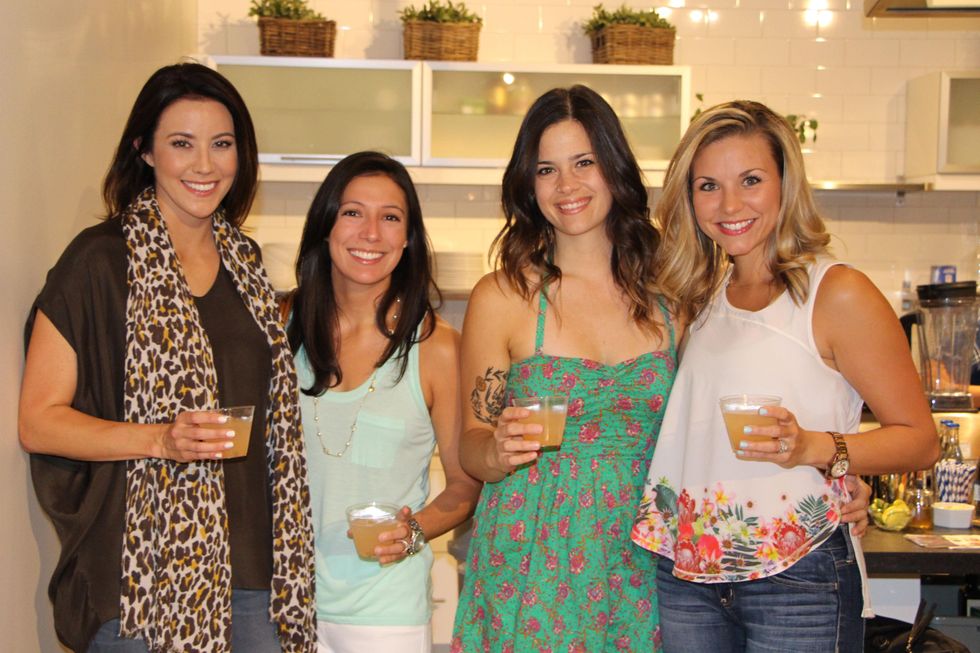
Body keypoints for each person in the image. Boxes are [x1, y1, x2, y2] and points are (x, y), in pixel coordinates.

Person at [18, 63, 315, 653]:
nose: (205, 165)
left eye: (221, 144)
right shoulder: (99, 263)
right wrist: (159, 439)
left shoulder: (246, 262)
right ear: (145, 152)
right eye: (182, 144)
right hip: (143, 580)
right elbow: (38, 422)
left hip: (258, 571)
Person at [630, 100, 939, 652]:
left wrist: (816, 448)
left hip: (799, 571)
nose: (729, 204)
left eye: (750, 180)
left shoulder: (836, 292)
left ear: (785, 183)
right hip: (689, 571)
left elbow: (920, 440)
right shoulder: (696, 296)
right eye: (707, 185)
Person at [449, 85, 677, 652]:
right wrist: (497, 451)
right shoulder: (503, 297)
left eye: (584, 163)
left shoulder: (674, 294)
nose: (567, 186)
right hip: (532, 559)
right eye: (547, 169)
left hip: (646, 555)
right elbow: (471, 446)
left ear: (614, 168)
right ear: (528, 184)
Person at [285, 151, 482, 653]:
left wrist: (414, 530)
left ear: (408, 239)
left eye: (390, 217)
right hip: (281, 602)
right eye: (353, 212)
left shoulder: (436, 348)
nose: (370, 233)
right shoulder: (283, 328)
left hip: (383, 616)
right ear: (325, 226)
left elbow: (465, 485)